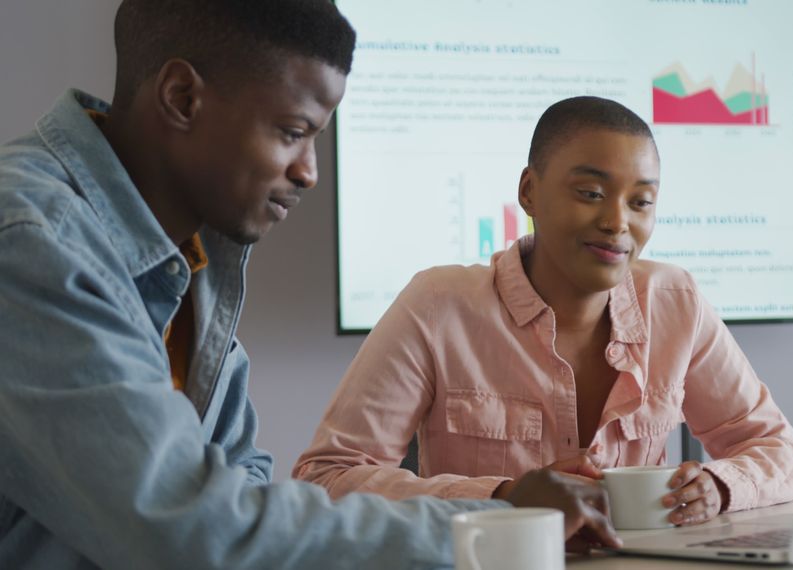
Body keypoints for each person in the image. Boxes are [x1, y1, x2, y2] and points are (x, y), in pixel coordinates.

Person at [0, 2, 618, 568]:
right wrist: (498, 522)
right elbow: (191, 529)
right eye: (293, 132)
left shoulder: (192, 262)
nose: (309, 172)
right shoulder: (32, 243)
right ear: (183, 97)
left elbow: (241, 490)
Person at [294, 96, 793, 527]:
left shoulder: (675, 302)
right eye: (590, 193)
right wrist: (503, 498)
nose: (617, 222)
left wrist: (721, 485)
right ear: (529, 192)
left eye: (641, 202)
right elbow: (325, 480)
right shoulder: (438, 305)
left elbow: (782, 452)